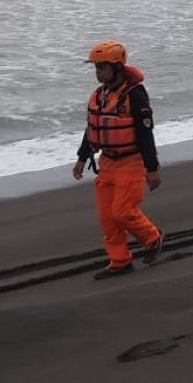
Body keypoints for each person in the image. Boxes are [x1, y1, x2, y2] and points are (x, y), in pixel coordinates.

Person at [74, 40, 164, 280]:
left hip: (131, 162)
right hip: (107, 163)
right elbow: (93, 128)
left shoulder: (135, 95)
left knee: (122, 211)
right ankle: (120, 260)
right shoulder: (100, 95)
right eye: (96, 67)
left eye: (101, 67)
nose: (97, 72)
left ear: (117, 67)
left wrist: (152, 168)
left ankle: (152, 237)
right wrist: (82, 157)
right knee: (107, 218)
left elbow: (145, 132)